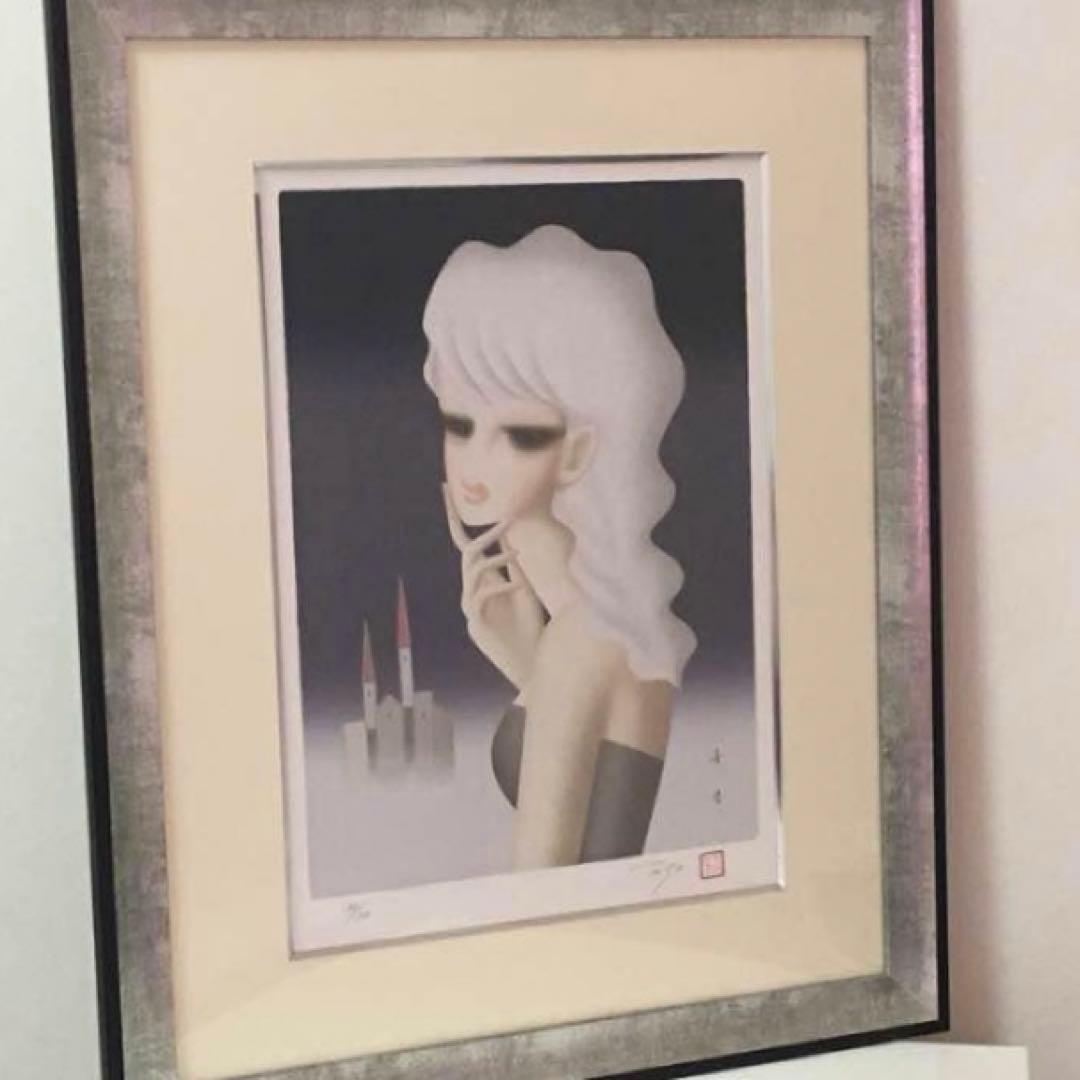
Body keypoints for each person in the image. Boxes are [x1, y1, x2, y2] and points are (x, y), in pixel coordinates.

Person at [422, 224, 695, 870]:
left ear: (577, 452)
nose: (474, 463)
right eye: (459, 425)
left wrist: (547, 671)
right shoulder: (607, 629)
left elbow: (541, 888)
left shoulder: (584, 640)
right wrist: (530, 669)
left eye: (521, 436)